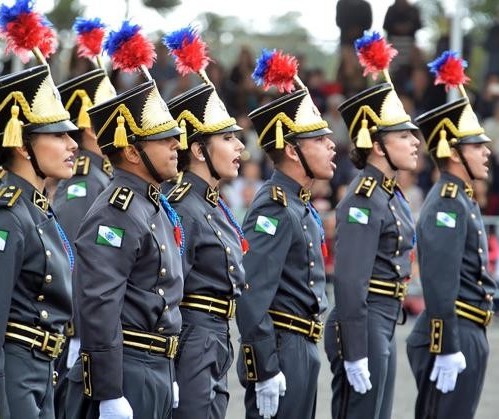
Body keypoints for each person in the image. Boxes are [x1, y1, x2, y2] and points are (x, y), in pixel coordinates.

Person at [63, 79, 184, 419]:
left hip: (154, 367)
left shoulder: (151, 204)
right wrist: (108, 391)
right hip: (128, 370)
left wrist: (167, 368)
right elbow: (100, 302)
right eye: (163, 139)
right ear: (132, 151)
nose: (176, 144)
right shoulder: (116, 211)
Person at [236, 85, 337, 419]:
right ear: (293, 151)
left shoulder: (297, 203)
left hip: (300, 345)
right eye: (320, 141)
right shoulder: (274, 206)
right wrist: (264, 366)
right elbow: (252, 293)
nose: (332, 145)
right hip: (281, 347)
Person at [324, 80, 420, 419]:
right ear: (377, 145)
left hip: (383, 318)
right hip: (363, 322)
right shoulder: (364, 197)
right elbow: (350, 280)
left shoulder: (387, 193)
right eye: (404, 136)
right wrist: (354, 348)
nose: (415, 142)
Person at [406, 95, 496, 418]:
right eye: (477, 146)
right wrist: (446, 345)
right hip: (451, 331)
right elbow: (440, 280)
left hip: (468, 328)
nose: (487, 152)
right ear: (454, 152)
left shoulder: (462, 199)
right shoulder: (447, 202)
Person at [164, 76, 246, 417]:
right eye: (227, 138)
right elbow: (169, 292)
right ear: (198, 150)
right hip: (193, 337)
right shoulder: (183, 205)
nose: (240, 147)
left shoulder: (212, 202)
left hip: (216, 335)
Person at [0, 63, 79, 418]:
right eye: (58, 135)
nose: (72, 144)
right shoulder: (9, 215)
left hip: (43, 371)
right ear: (22, 146)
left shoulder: (38, 210)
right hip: (14, 378)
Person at [52, 61, 117, 416]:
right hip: (79, 333)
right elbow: (72, 255)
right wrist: (77, 330)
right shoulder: (85, 181)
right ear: (91, 126)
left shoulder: (101, 177)